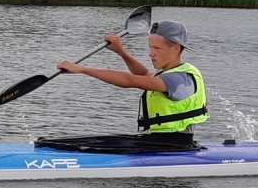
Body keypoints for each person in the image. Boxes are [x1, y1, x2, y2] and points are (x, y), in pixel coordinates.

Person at [57, 20, 208, 138]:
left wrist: (83, 69)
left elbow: (131, 80)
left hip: (176, 145)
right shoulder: (165, 75)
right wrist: (121, 52)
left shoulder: (180, 79)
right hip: (156, 140)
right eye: (150, 48)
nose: (151, 54)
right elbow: (142, 74)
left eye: (157, 48)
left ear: (175, 48)